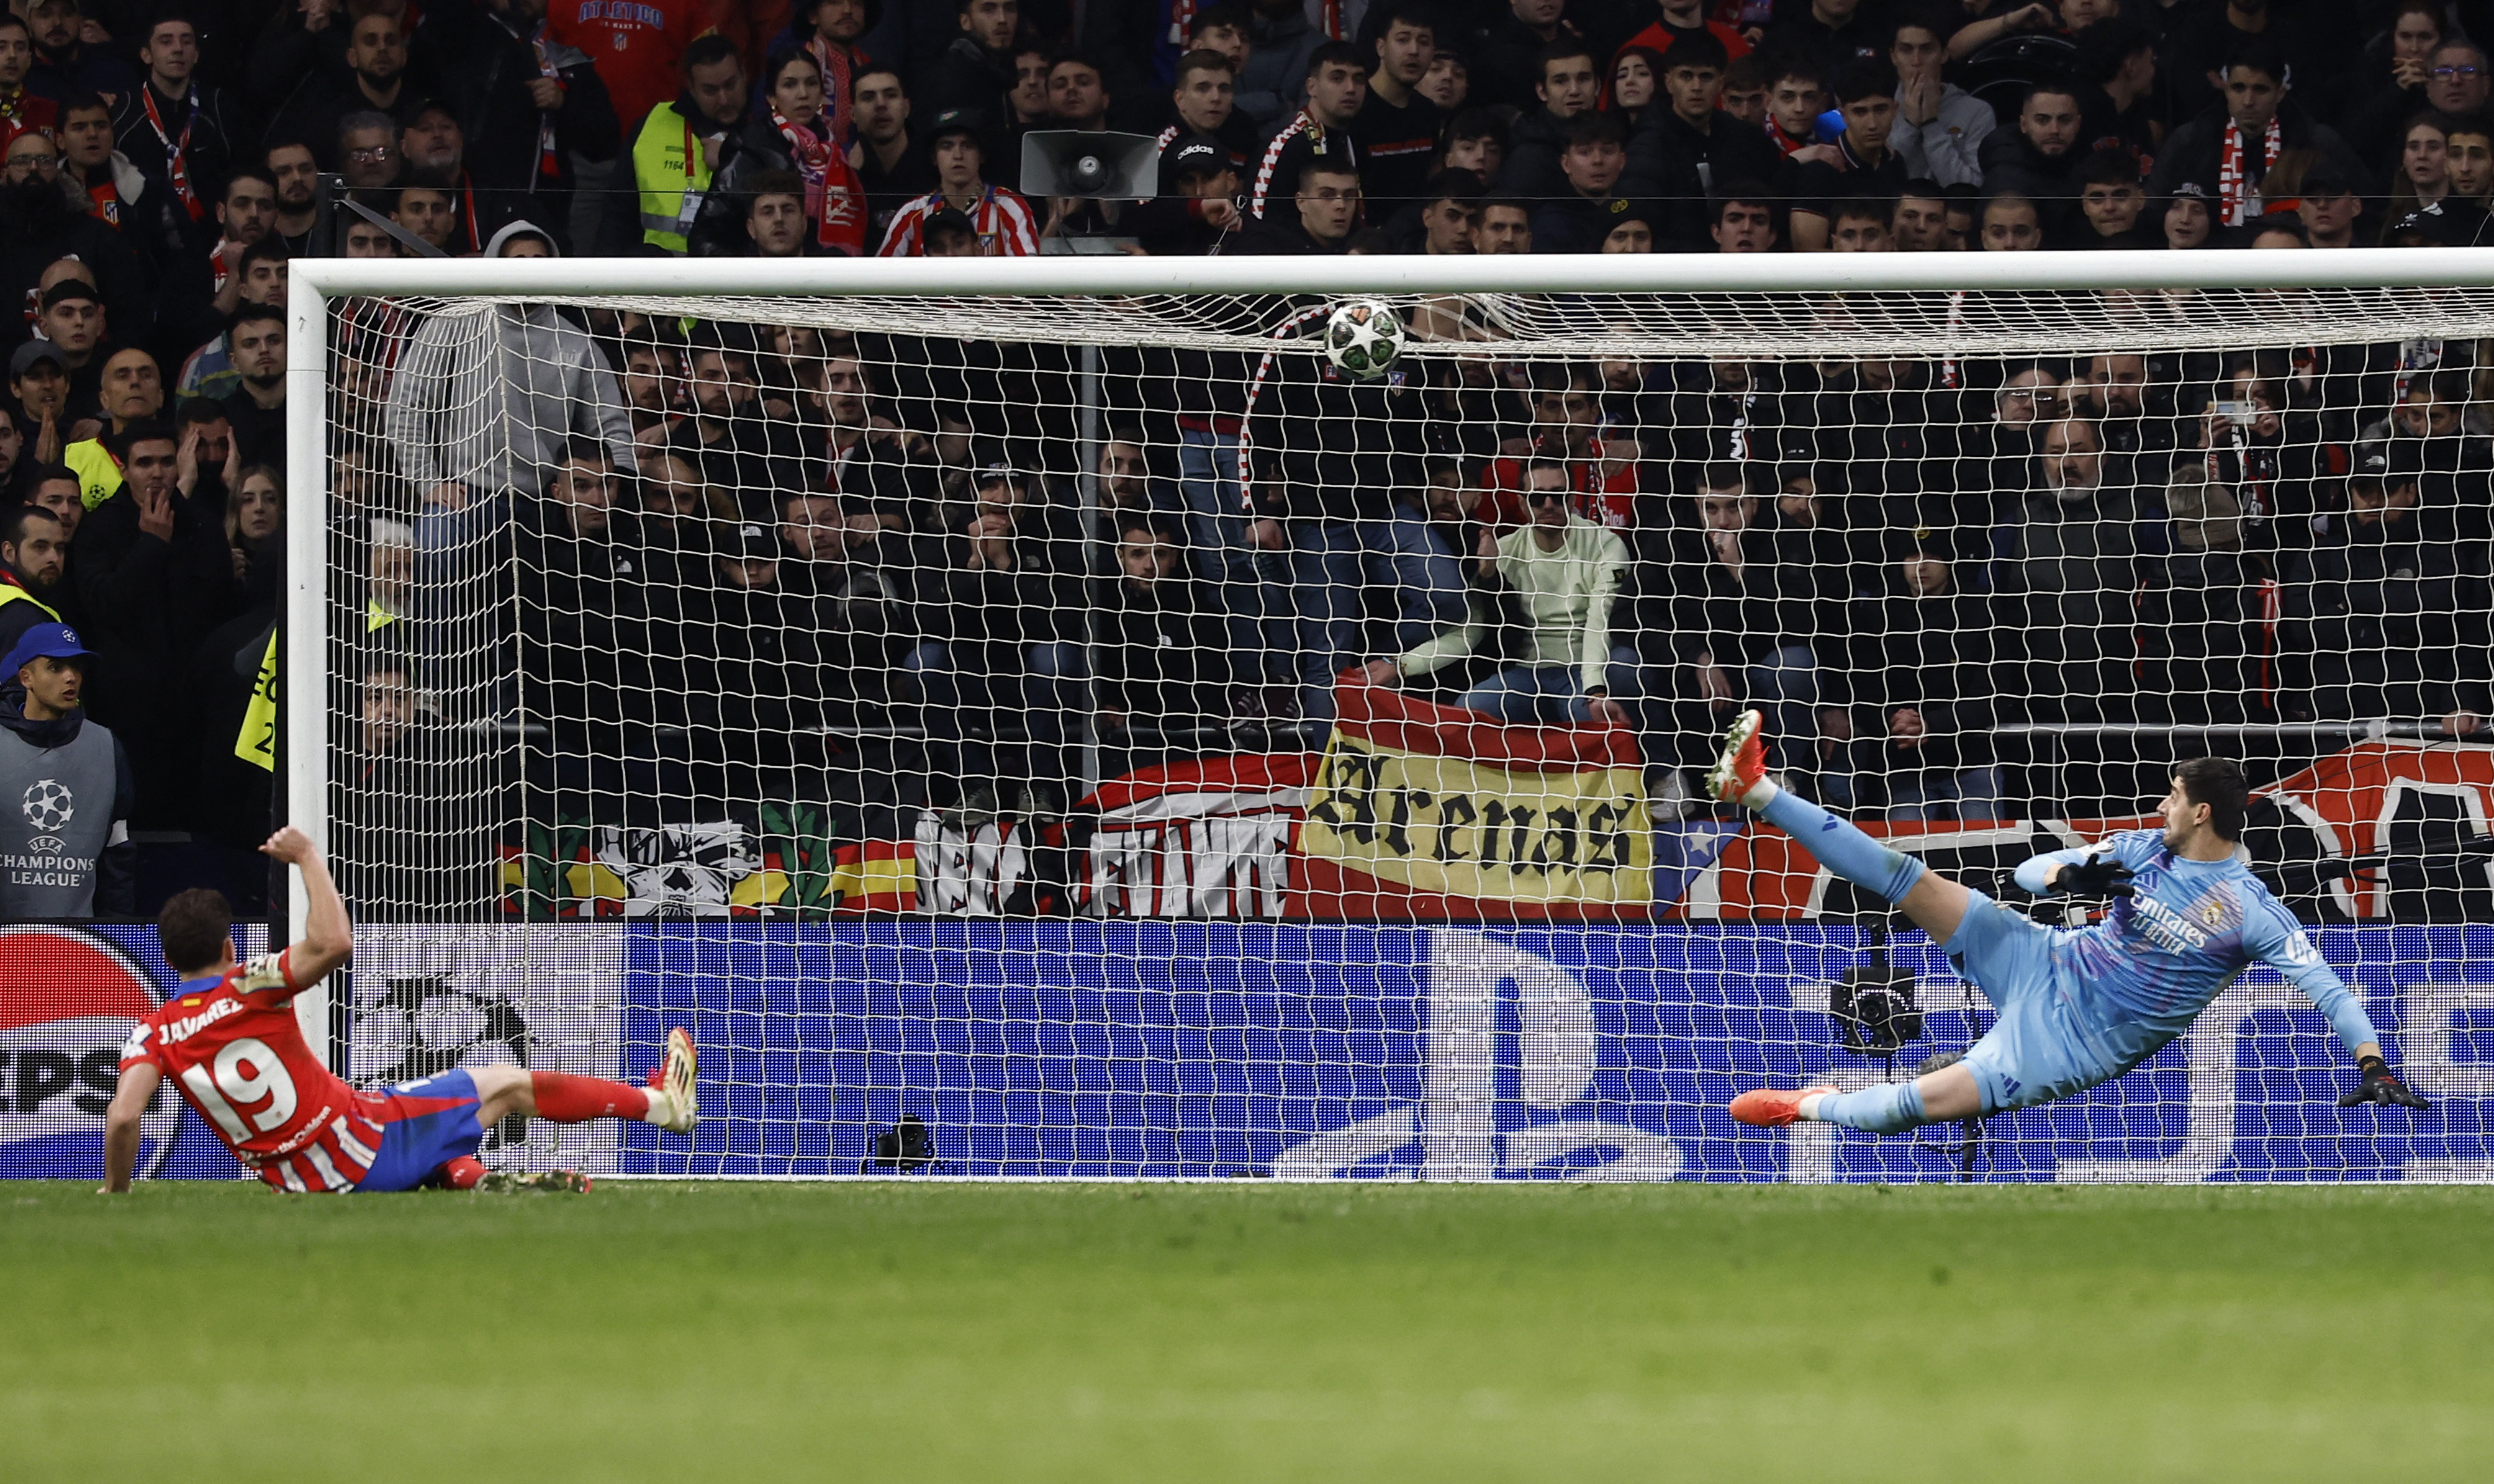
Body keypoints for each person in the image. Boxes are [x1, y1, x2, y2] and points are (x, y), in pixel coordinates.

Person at [1712, 723, 2429, 1133]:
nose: (2162, 805)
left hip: (2072, 1043)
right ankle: (1760, 790)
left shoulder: (2252, 910)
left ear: (2203, 812)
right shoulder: (2145, 848)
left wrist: (2373, 1062)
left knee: (1909, 1108)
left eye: (2175, 797)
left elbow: (2328, 988)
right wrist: (2070, 877)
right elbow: (2036, 869)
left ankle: (1804, 1105)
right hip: (2042, 959)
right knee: (1907, 877)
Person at [102, 830, 700, 1194]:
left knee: (424, 1116)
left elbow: (125, 1119)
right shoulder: (249, 983)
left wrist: (116, 1189)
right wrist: (309, 856)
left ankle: (472, 1179)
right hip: (357, 1139)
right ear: (229, 946)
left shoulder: (152, 1032)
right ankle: (660, 1106)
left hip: (298, 1177)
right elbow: (335, 943)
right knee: (504, 1083)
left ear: (168, 957)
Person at [1370, 458, 1634, 727]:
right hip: (1525, 674)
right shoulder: (1503, 550)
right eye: (1537, 498)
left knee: (1598, 715)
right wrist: (1400, 664)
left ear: (1572, 499)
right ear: (1521, 503)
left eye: (1558, 496)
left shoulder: (1607, 545)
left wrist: (1594, 690)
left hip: (1583, 671)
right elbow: (1470, 631)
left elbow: (1599, 623)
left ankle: (1661, 765)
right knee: (1469, 710)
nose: (1548, 506)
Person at [0, 622, 133, 917]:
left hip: (77, 945)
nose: (71, 677)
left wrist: (117, 931)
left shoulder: (106, 748)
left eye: (76, 666)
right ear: (26, 678)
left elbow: (117, 856)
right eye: (55, 667)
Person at [628, 35, 747, 255]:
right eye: (710, 90)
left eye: (730, 85)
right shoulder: (653, 124)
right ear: (691, 88)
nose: (724, 99)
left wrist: (731, 160)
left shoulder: (767, 130)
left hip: (736, 277)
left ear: (744, 75)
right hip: (657, 275)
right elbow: (618, 214)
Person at [874, 109, 1038, 254]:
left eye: (968, 146)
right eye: (947, 146)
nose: (958, 155)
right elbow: (880, 278)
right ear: (934, 157)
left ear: (981, 155)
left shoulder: (1009, 206)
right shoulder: (911, 214)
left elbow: (1030, 277)